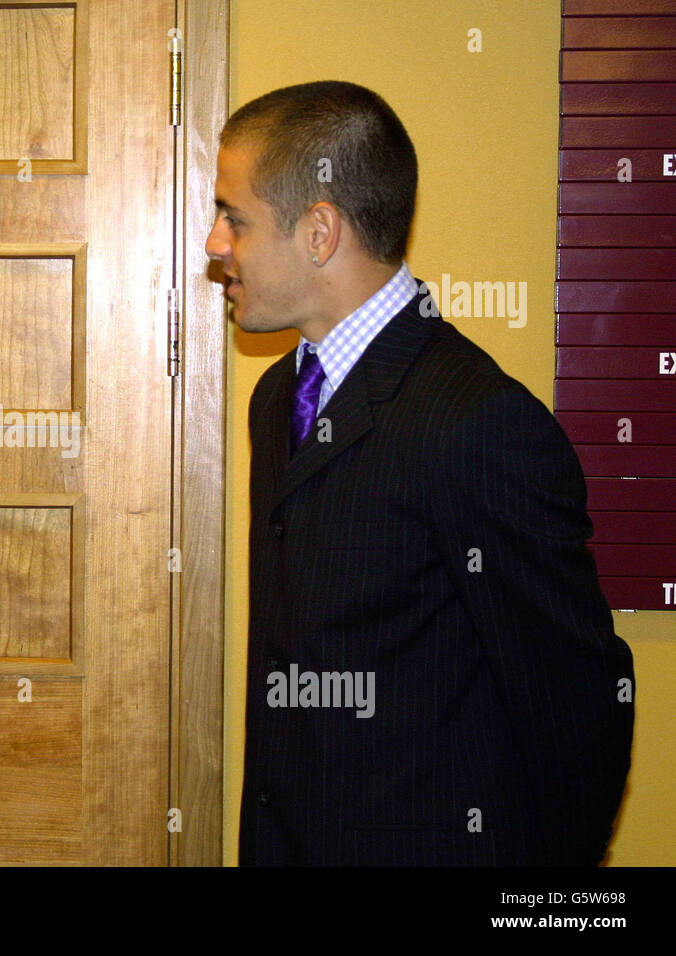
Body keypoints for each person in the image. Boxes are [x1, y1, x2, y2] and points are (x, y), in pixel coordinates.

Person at [206, 81, 635, 866]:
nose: (214, 242)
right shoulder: (279, 397)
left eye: (234, 217)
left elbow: (578, 702)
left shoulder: (477, 421)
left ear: (320, 231)